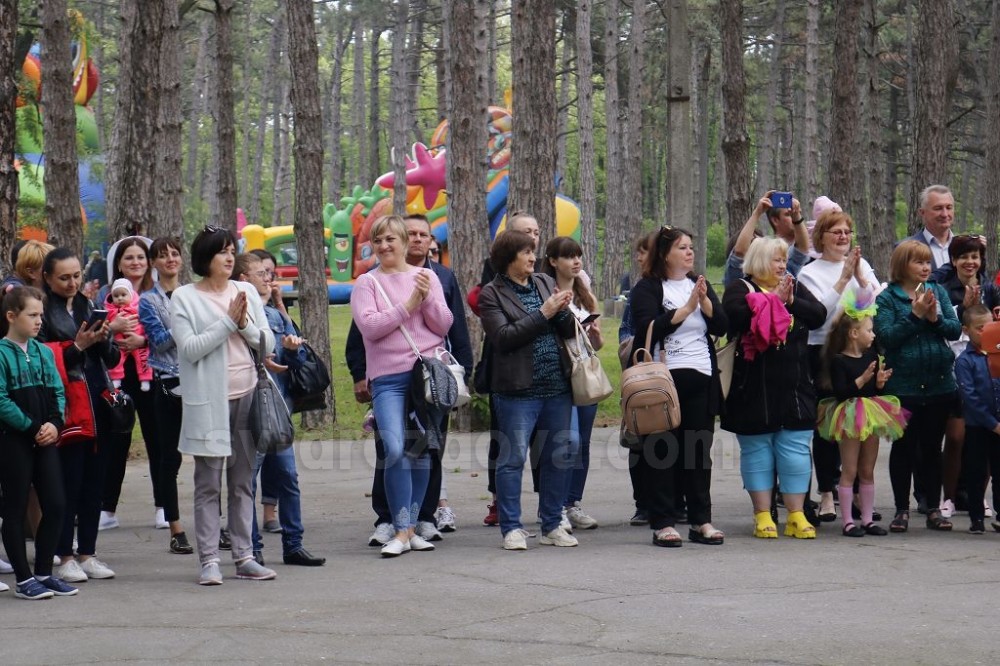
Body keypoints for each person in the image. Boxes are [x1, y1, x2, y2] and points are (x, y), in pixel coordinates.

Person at [345, 214, 473, 545]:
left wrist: (426, 296)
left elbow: (443, 325)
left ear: (404, 243)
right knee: (394, 447)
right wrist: (410, 304)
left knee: (422, 450)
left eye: (391, 239)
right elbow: (371, 327)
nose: (385, 245)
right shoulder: (367, 283)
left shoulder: (425, 276)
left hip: (425, 378)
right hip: (387, 379)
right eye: (378, 240)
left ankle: (412, 528)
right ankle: (400, 526)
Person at [171, 226, 277, 584]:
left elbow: (267, 343)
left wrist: (244, 325)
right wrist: (228, 322)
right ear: (205, 259)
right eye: (222, 252)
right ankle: (209, 560)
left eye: (233, 250)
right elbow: (190, 348)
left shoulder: (245, 289)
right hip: (208, 402)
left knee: (244, 482)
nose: (230, 257)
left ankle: (244, 556)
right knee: (208, 483)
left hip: (247, 394)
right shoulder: (184, 297)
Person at [479, 229, 579, 551]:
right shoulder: (490, 294)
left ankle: (552, 524)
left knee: (557, 456)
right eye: (526, 253)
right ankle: (511, 527)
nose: (533, 258)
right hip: (516, 390)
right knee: (512, 459)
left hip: (556, 386)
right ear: (509, 258)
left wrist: (564, 310)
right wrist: (545, 312)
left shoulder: (544, 283)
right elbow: (504, 338)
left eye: (533, 252)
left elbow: (564, 330)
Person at [721, 237, 826, 539]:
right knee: (758, 452)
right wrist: (774, 302)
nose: (782, 266)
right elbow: (735, 317)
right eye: (776, 260)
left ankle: (796, 514)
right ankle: (763, 514)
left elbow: (818, 315)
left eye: (783, 260)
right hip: (754, 388)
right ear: (757, 261)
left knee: (795, 451)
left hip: (795, 386)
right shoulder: (741, 289)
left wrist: (790, 300)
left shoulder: (792, 286)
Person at [630, 226, 728, 546]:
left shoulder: (698, 283)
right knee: (662, 451)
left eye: (691, 247)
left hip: (701, 377)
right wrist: (685, 310)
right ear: (665, 253)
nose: (690, 252)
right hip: (662, 382)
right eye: (683, 248)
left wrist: (704, 303)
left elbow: (723, 326)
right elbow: (646, 327)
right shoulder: (648, 287)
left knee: (698, 452)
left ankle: (701, 521)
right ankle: (663, 522)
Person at [235, 252, 326, 567]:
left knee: (287, 476)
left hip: (278, 407)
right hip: (248, 407)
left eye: (269, 272)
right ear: (243, 280)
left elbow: (294, 365)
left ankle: (293, 544)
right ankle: (253, 549)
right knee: (247, 479)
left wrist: (291, 350)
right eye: (261, 273)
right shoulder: (237, 314)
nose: (268, 278)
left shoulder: (276, 316)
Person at [40, 247, 120, 583]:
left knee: (94, 483)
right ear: (47, 278)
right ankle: (65, 555)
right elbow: (42, 360)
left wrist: (103, 339)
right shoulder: (41, 310)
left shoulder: (89, 306)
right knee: (67, 484)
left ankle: (88, 552)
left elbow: (112, 360)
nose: (72, 283)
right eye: (64, 277)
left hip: (98, 404)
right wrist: (78, 347)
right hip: (66, 409)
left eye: (76, 276)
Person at [797, 211, 879, 522]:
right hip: (824, 353)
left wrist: (859, 276)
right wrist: (844, 277)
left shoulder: (864, 265)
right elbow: (820, 314)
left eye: (847, 231)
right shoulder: (810, 273)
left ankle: (857, 491)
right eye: (835, 232)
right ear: (821, 237)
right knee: (828, 424)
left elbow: (871, 306)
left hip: (859, 351)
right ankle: (828, 492)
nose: (843, 237)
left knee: (858, 423)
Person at [874, 240, 961, 533]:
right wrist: (915, 316)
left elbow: (954, 329)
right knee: (904, 449)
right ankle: (901, 510)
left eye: (927, 262)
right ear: (902, 266)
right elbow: (886, 337)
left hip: (939, 384)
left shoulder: (938, 291)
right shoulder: (888, 298)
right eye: (918, 262)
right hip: (903, 387)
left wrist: (934, 318)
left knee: (932, 448)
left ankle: (933, 507)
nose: (925, 267)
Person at [0, 286, 75, 599]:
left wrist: (55, 425)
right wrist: (32, 427)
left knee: (56, 504)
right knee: (15, 508)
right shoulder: (2, 353)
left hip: (45, 438)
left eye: (40, 315)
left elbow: (59, 391)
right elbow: (1, 399)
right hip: (14, 441)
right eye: (32, 315)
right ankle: (23, 578)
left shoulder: (44, 352)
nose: (39, 321)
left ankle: (44, 571)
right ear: (11, 316)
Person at [817, 290, 908, 537]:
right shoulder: (839, 361)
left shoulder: (872, 357)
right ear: (854, 334)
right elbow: (842, 393)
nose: (873, 334)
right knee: (850, 470)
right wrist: (863, 378)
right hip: (848, 414)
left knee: (867, 470)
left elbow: (874, 389)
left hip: (871, 411)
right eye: (869, 330)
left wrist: (878, 382)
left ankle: (867, 519)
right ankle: (848, 521)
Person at [929, 234, 1000, 519]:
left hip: (986, 369)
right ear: (954, 260)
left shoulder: (989, 289)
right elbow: (943, 324)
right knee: (956, 437)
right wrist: (962, 310)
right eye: (964, 257)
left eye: (975, 257)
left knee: (984, 439)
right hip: (956, 366)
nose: (970, 262)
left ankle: (977, 497)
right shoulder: (944, 287)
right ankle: (950, 497)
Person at [98, 237, 161, 532]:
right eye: (129, 258)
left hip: (151, 373)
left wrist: (143, 340)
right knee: (115, 440)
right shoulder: (105, 296)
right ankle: (107, 508)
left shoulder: (158, 294)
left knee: (157, 439)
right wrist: (113, 329)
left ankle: (164, 506)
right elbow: (95, 330)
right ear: (118, 263)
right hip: (117, 375)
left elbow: (173, 333)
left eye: (141, 257)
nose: (135, 263)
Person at [137, 237, 193, 555]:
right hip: (167, 383)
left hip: (197, 381)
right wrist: (185, 321)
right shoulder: (148, 301)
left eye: (174, 253)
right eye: (162, 255)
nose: (170, 259)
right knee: (169, 457)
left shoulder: (194, 293)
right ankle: (175, 527)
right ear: (154, 263)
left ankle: (216, 522)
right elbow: (158, 342)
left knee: (210, 457)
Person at [544, 236, 604, 531]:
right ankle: (555, 506)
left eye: (578, 256)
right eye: (568, 256)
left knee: (582, 444)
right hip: (558, 375)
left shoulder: (585, 296)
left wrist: (594, 333)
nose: (576, 261)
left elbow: (598, 343)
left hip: (585, 375)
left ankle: (573, 503)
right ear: (554, 261)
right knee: (566, 440)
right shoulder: (547, 292)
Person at [619, 231, 656, 526]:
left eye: (644, 252)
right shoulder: (639, 290)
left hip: (674, 373)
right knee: (639, 439)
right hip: (643, 374)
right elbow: (624, 332)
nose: (639, 258)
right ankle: (643, 502)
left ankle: (674, 500)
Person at [953, 305, 1000, 534]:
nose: (985, 332)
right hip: (978, 425)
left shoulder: (997, 355)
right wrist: (993, 423)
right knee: (976, 471)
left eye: (989, 326)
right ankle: (976, 517)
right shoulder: (965, 361)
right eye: (979, 328)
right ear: (966, 330)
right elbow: (969, 397)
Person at [722, 191, 811, 287]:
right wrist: (757, 213)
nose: (760, 248)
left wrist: (796, 215)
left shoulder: (781, 271)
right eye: (754, 244)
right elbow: (740, 252)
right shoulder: (739, 278)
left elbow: (802, 250)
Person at [106, 279, 152, 392]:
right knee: (117, 359)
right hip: (119, 342)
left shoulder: (138, 307)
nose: (120, 298)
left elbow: (147, 323)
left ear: (131, 295)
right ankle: (116, 378)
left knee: (142, 358)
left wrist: (144, 338)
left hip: (138, 339)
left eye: (123, 295)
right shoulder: (110, 311)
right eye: (116, 296)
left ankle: (145, 378)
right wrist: (112, 327)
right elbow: (104, 325)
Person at [900, 184, 954, 270]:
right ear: (922, 213)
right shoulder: (905, 249)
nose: (945, 214)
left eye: (949, 207)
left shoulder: (966, 247)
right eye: (938, 208)